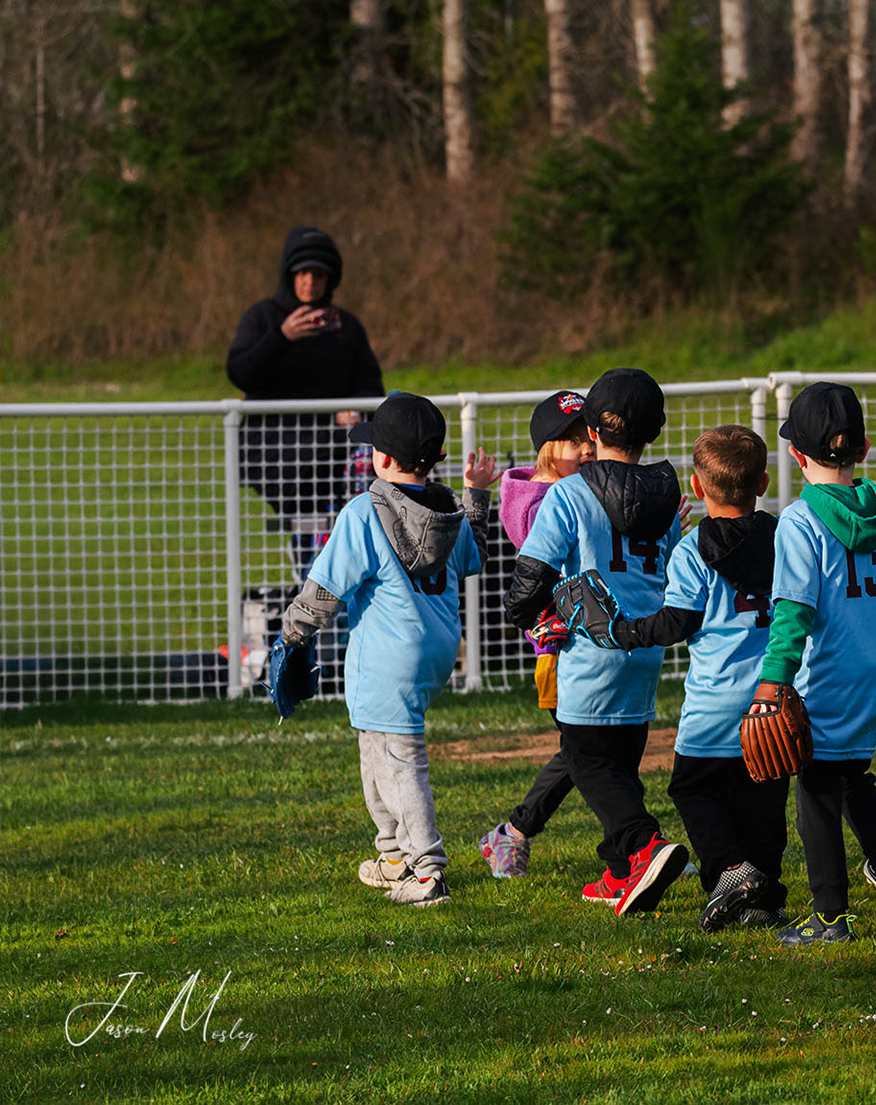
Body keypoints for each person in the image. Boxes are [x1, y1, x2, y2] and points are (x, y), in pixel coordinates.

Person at [275, 392, 499, 907]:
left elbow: (325, 591)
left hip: (387, 655)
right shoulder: (448, 510)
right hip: (437, 649)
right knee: (376, 753)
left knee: (399, 763)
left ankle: (428, 870)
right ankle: (394, 856)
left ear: (382, 457)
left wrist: (291, 634)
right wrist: (475, 497)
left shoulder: (364, 512)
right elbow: (475, 558)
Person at [751, 382, 876, 946]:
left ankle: (829, 917)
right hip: (875, 675)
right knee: (852, 781)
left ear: (796, 454)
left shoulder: (799, 522)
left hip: (826, 676)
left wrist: (773, 681)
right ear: (863, 449)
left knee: (816, 793)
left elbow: (793, 614)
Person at [577, 426, 791, 931]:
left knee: (693, 790)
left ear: (696, 486)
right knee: (764, 800)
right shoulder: (786, 537)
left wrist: (623, 632)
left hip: (715, 704)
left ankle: (729, 871)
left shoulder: (694, 548)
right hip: (774, 697)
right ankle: (765, 897)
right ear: (763, 482)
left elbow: (678, 622)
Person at [504, 369, 689, 918]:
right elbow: (671, 567)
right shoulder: (666, 494)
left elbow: (532, 573)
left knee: (587, 761)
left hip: (590, 647)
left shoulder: (568, 493)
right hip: (647, 646)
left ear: (591, 428)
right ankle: (619, 871)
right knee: (621, 761)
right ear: (653, 432)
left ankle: (644, 845)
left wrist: (525, 616)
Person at [477, 390, 592, 879]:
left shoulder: (565, 491)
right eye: (573, 440)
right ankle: (515, 832)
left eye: (590, 437)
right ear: (547, 448)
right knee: (585, 752)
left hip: (584, 641)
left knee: (598, 751)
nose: (587, 448)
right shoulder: (539, 504)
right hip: (559, 649)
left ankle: (634, 844)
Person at [226, 227, 385, 572]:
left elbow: (371, 385)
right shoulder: (263, 317)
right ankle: (310, 567)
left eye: (318, 275)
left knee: (349, 517)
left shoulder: (346, 326)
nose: (310, 282)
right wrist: (282, 336)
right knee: (311, 521)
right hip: (274, 451)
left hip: (334, 451)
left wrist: (353, 408)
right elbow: (239, 373)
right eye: (302, 274)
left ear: (330, 279)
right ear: (289, 275)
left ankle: (328, 572)